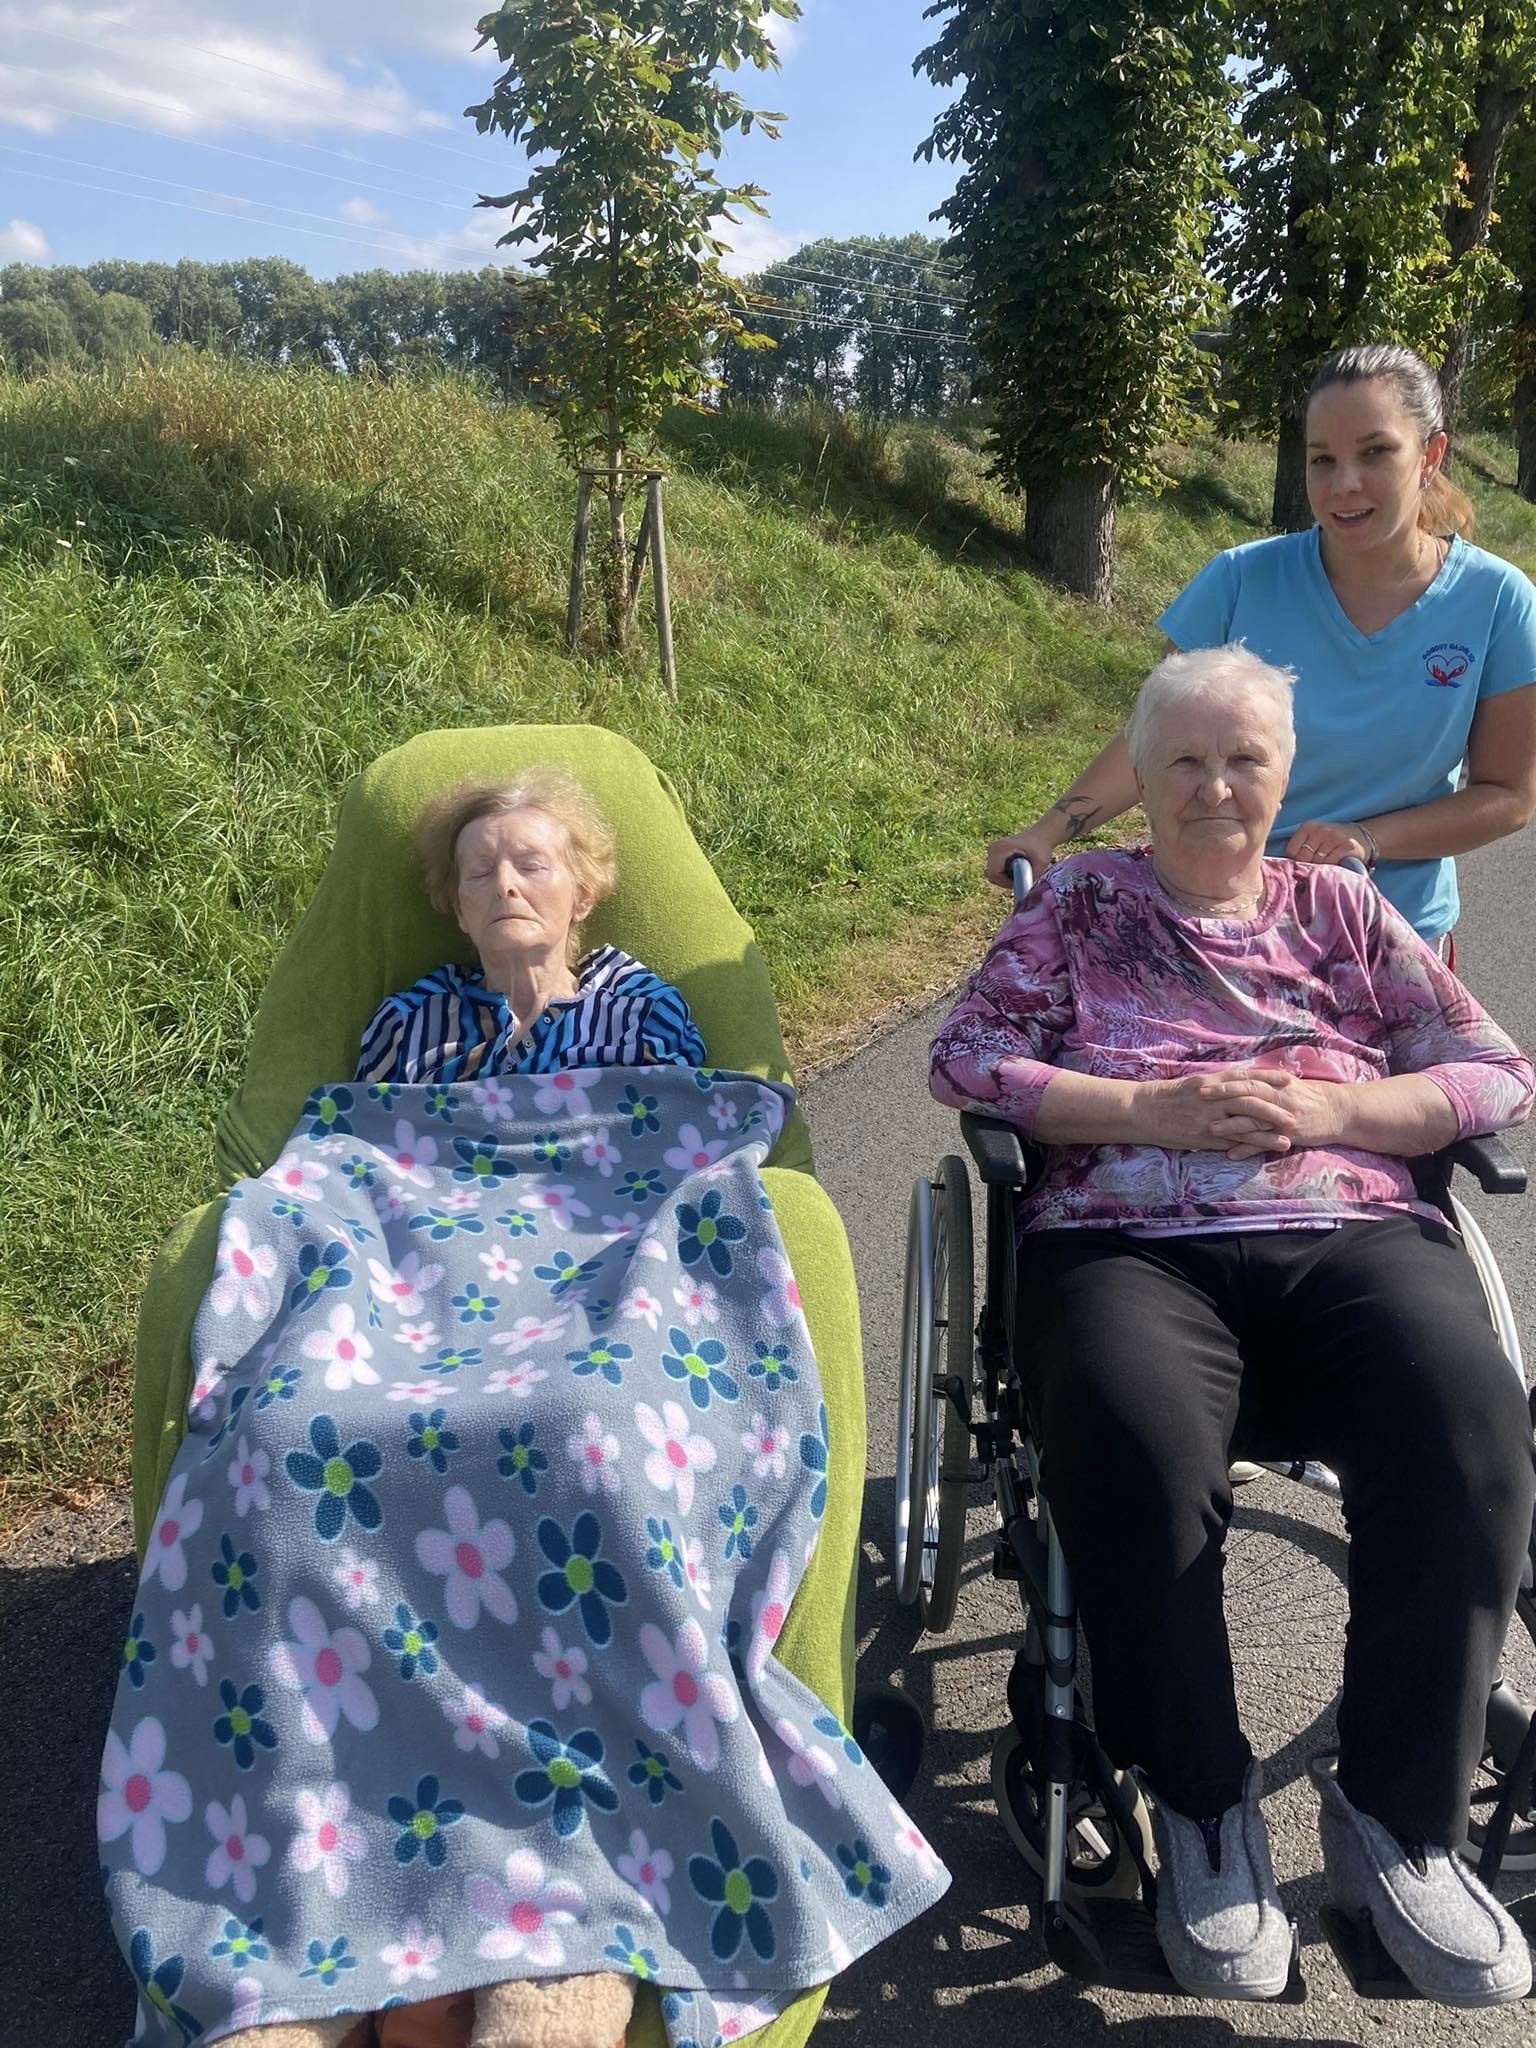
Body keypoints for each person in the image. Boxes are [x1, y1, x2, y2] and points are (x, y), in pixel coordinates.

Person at [932, 643, 1536, 2006]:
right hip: (1125, 1237)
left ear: (1283, 775)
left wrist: (1338, 1109)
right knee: (1134, 1445)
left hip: (1346, 1229)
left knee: (1471, 1423)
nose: (1215, 786)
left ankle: (1401, 1824)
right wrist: (1147, 1110)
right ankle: (1203, 1808)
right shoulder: (1079, 905)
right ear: (1142, 778)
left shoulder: (1341, 907)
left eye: (1243, 759)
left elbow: (1497, 1071)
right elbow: (966, 1056)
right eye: (1186, 761)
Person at [987, 342, 1536, 953]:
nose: (1344, 484)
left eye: (1375, 452)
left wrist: (1368, 838)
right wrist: (1048, 832)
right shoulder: (1239, 580)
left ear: (1430, 455)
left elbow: (1508, 797)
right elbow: (1154, 740)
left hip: (1391, 940)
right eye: (1322, 459)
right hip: (1226, 926)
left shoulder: (1497, 600)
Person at [355, 772, 706, 1084]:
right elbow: (360, 1132)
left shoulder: (642, 1013)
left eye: (531, 866)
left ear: (582, 896)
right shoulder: (408, 1023)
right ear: (460, 910)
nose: (504, 884)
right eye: (480, 872)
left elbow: (686, 1124)